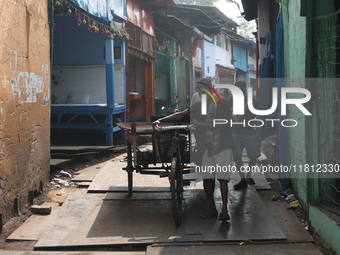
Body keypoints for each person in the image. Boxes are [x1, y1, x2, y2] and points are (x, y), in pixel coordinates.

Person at [153, 77, 234, 221]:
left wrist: (199, 123)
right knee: (207, 179)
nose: (202, 94)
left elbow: (221, 125)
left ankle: (224, 210)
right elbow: (181, 114)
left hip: (223, 145)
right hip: (207, 147)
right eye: (200, 91)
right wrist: (161, 120)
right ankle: (212, 209)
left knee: (223, 179)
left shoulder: (223, 102)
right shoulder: (198, 106)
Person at [228, 81, 261, 190]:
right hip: (235, 132)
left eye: (241, 89)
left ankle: (248, 175)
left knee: (254, 156)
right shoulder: (230, 101)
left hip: (249, 131)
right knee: (237, 156)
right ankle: (243, 179)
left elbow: (257, 109)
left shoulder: (250, 100)